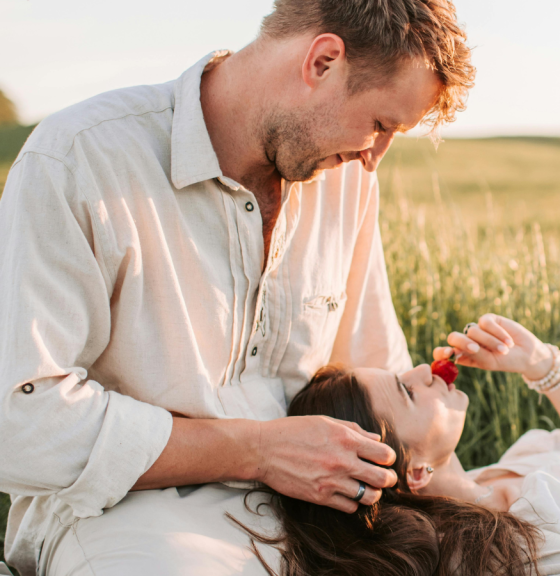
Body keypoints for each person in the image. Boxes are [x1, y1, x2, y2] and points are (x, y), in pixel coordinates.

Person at [0, 1, 475, 575]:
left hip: (322, 524)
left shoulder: (344, 179)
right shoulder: (80, 158)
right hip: (132, 519)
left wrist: (477, 505)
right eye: (379, 125)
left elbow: (374, 361)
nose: (373, 160)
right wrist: (258, 451)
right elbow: (19, 423)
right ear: (322, 61)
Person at [242, 313, 560, 576]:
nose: (425, 370)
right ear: (415, 470)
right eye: (405, 390)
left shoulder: (502, 474)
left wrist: (538, 363)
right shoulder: (521, 548)